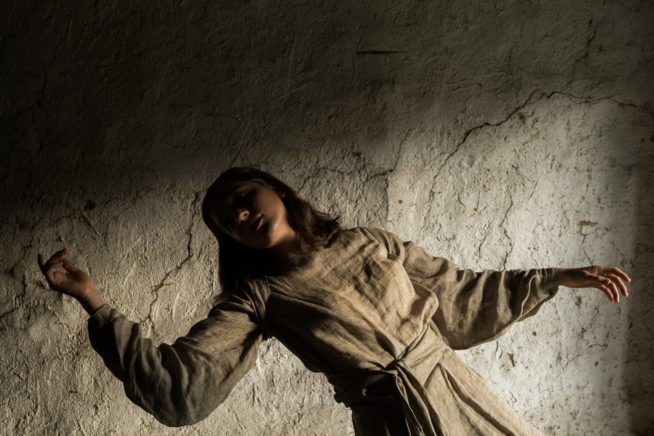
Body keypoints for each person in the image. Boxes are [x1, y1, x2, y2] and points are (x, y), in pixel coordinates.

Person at [37, 166, 631, 435]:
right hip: (391, 423)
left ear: (276, 190)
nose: (240, 215)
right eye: (226, 220)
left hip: (462, 398)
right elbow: (183, 383)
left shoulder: (370, 242)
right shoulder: (258, 297)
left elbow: (458, 293)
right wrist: (94, 301)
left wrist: (553, 277)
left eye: (243, 197)